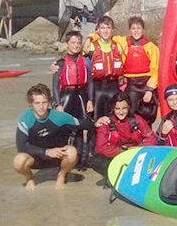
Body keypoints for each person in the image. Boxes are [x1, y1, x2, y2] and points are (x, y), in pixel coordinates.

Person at [13, 84, 88, 190]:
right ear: (31, 104)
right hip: (35, 158)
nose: (41, 107)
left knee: (72, 152)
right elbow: (21, 146)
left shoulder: (58, 116)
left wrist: (99, 122)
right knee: (18, 161)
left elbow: (84, 124)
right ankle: (29, 178)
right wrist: (47, 152)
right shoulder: (25, 119)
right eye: (37, 103)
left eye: (44, 102)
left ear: (49, 101)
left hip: (58, 156)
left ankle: (61, 175)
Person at [92, 92, 157, 185]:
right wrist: (123, 151)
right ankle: (114, 176)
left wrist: (135, 150)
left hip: (135, 155)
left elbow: (152, 139)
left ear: (129, 107)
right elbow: (101, 148)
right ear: (112, 108)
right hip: (115, 156)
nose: (121, 112)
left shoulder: (137, 119)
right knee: (96, 160)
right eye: (117, 109)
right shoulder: (106, 123)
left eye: (124, 108)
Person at [52, 31, 94, 167]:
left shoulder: (86, 61)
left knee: (81, 128)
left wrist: (90, 100)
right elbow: (55, 85)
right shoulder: (61, 62)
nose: (76, 46)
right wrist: (57, 104)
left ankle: (80, 159)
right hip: (66, 97)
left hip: (82, 96)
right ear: (67, 44)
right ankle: (63, 159)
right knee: (64, 128)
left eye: (78, 43)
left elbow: (91, 82)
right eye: (73, 43)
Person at [113, 16, 160, 125]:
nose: (136, 31)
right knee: (131, 114)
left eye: (138, 28)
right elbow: (105, 35)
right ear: (130, 30)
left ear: (143, 29)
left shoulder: (151, 47)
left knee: (148, 115)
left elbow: (156, 69)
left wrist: (149, 89)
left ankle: (148, 139)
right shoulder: (124, 42)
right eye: (133, 28)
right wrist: (90, 38)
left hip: (146, 84)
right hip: (132, 85)